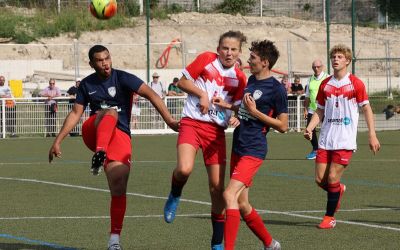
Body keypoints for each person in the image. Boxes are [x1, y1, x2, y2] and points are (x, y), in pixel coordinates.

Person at [48, 45, 179, 250]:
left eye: (107, 58)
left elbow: (152, 95)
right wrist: (58, 140)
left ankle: (114, 240)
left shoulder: (123, 78)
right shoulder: (86, 84)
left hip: (120, 136)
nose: (105, 63)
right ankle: (100, 153)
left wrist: (169, 120)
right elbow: (75, 113)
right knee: (110, 112)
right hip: (95, 130)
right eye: (100, 60)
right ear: (92, 64)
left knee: (118, 187)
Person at [163, 30, 248, 250]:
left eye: (233, 49)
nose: (228, 53)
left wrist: (235, 117)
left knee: (217, 189)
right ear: (218, 48)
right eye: (225, 48)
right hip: (192, 122)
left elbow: (238, 108)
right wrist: (202, 94)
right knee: (184, 169)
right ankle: (175, 193)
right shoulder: (207, 59)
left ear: (240, 52)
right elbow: (182, 82)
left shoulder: (240, 78)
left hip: (216, 132)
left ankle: (216, 243)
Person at [217, 40, 287, 250]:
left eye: (253, 58)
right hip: (238, 144)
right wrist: (228, 107)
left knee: (228, 195)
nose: (248, 60)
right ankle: (270, 244)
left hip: (254, 149)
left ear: (264, 62)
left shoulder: (276, 89)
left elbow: (283, 126)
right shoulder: (251, 81)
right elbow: (246, 111)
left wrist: (257, 113)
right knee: (241, 203)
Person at [304, 44, 381, 229]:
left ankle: (329, 218)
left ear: (347, 60)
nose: (335, 59)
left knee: (331, 177)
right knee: (320, 179)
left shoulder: (356, 83)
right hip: (325, 139)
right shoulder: (325, 84)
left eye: (339, 57)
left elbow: (367, 108)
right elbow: (320, 110)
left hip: (345, 140)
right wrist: (310, 127)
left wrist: (372, 134)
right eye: (334, 57)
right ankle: (338, 190)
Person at [303, 59, 329, 160]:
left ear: (322, 67)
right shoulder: (310, 79)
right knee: (309, 129)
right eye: (314, 67)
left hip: (325, 109)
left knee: (327, 130)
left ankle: (327, 150)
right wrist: (305, 108)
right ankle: (315, 149)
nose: (316, 69)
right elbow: (307, 96)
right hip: (312, 109)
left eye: (318, 67)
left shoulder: (327, 78)